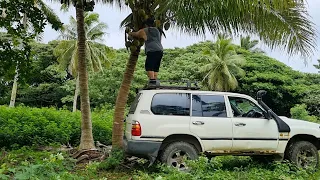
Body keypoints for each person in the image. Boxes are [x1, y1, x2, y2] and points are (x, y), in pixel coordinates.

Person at [129, 17, 163, 85]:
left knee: (149, 66)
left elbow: (137, 34)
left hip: (152, 50)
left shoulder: (145, 30)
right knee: (155, 67)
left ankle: (152, 81)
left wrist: (129, 33)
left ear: (146, 24)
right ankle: (154, 81)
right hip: (160, 50)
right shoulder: (157, 30)